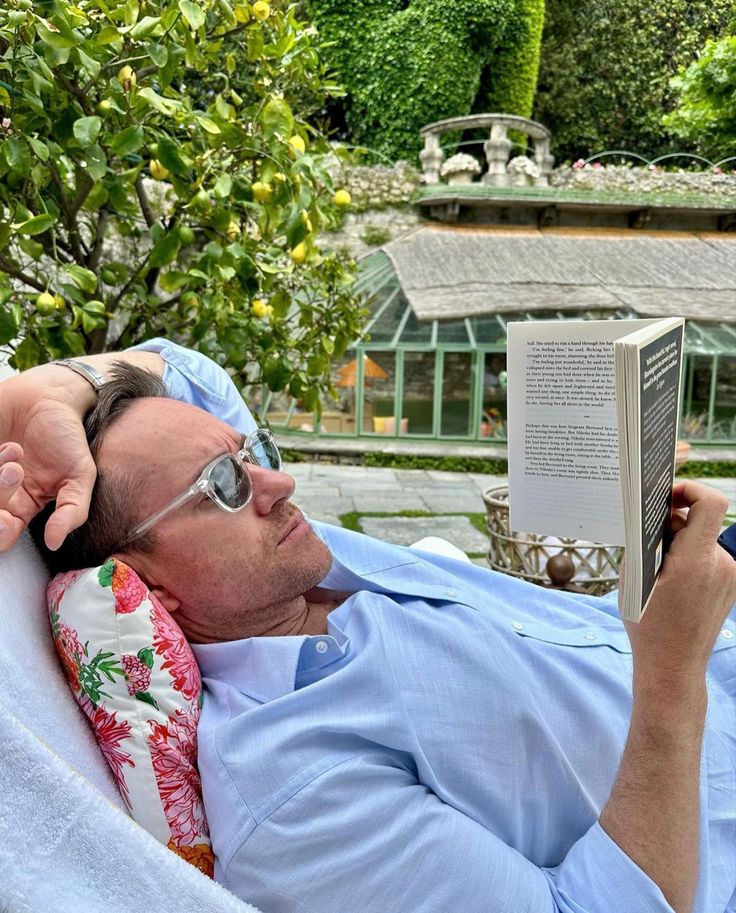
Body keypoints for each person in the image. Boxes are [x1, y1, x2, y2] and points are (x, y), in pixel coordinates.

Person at [1, 341, 735, 913]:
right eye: (222, 486)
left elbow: (193, 370)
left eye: (244, 457)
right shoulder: (293, 790)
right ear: (149, 582)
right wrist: (670, 677)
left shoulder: (292, 565)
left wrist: (46, 395)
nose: (279, 485)